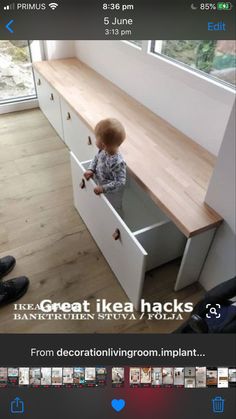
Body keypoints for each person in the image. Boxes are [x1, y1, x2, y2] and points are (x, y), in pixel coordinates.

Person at [84, 118, 126, 214]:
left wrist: (104, 188)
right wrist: (91, 169)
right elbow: (96, 159)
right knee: (102, 205)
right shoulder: (103, 151)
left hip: (112, 193)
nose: (95, 141)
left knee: (114, 208)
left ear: (103, 144)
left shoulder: (118, 162)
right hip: (100, 184)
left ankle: (119, 217)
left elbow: (120, 182)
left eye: (96, 139)